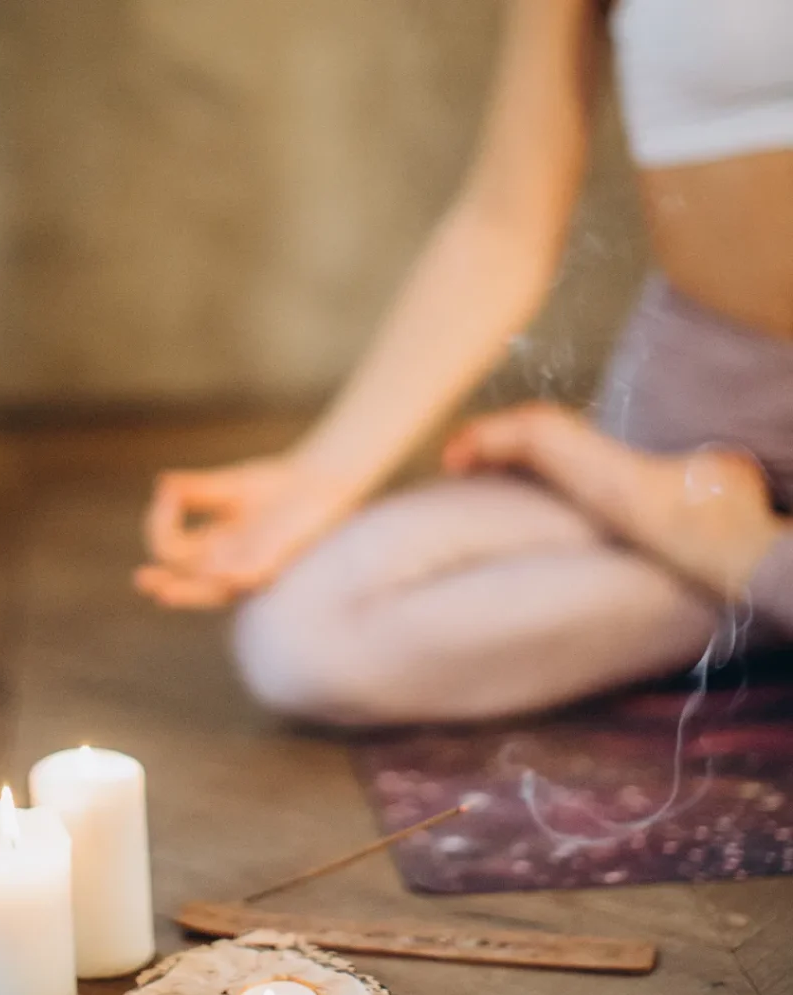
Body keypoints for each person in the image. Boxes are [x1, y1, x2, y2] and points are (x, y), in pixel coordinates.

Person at [136, 0, 793, 726]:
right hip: (685, 446)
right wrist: (324, 473)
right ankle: (744, 576)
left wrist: (746, 551)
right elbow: (505, 224)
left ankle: (743, 564)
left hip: (704, 507)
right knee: (307, 632)